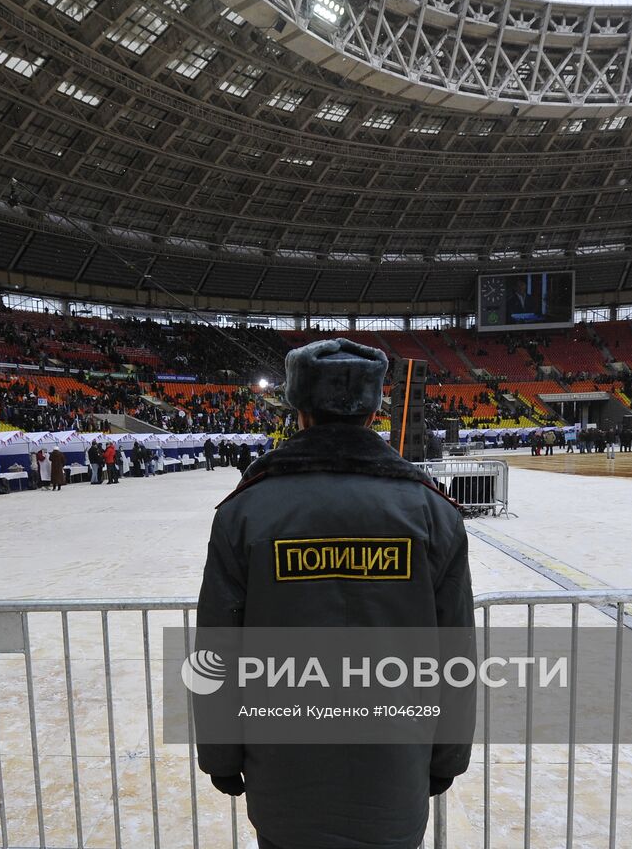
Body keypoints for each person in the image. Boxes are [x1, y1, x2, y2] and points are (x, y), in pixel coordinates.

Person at [195, 338, 474, 849]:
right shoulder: (431, 512)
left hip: (283, 774)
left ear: (299, 411)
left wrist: (220, 755)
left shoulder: (246, 511)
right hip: (394, 772)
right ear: (374, 411)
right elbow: (455, 652)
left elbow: (217, 648)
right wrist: (448, 757)